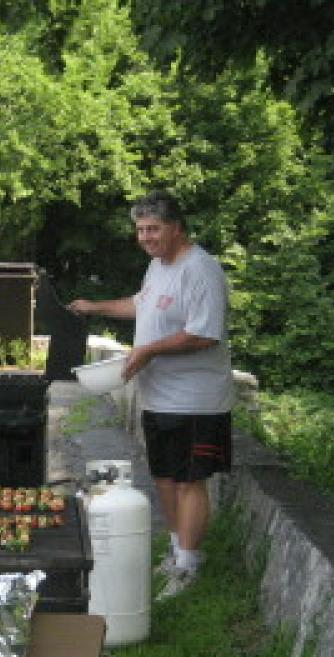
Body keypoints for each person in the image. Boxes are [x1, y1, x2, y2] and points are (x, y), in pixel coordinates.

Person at [68, 190, 234, 597]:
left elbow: (204, 334)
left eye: (153, 229)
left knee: (190, 481)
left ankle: (189, 567)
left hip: (197, 400)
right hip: (157, 395)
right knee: (163, 476)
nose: (145, 237)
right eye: (140, 230)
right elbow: (140, 306)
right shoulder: (158, 267)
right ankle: (178, 552)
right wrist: (94, 307)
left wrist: (149, 350)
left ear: (176, 228)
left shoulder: (201, 270)